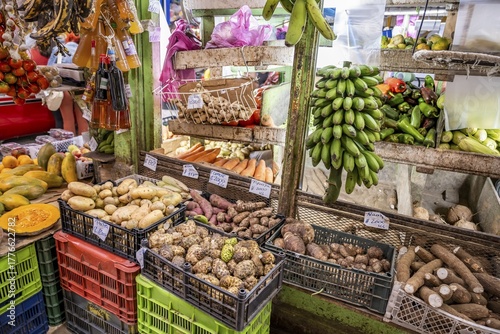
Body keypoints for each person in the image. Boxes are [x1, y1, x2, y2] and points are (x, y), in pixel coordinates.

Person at [48, 33, 89, 135]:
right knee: (83, 119)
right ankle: (84, 146)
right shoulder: (83, 51)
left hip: (64, 88)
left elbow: (49, 69)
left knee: (68, 119)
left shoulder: (58, 49)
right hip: (81, 88)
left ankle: (69, 146)